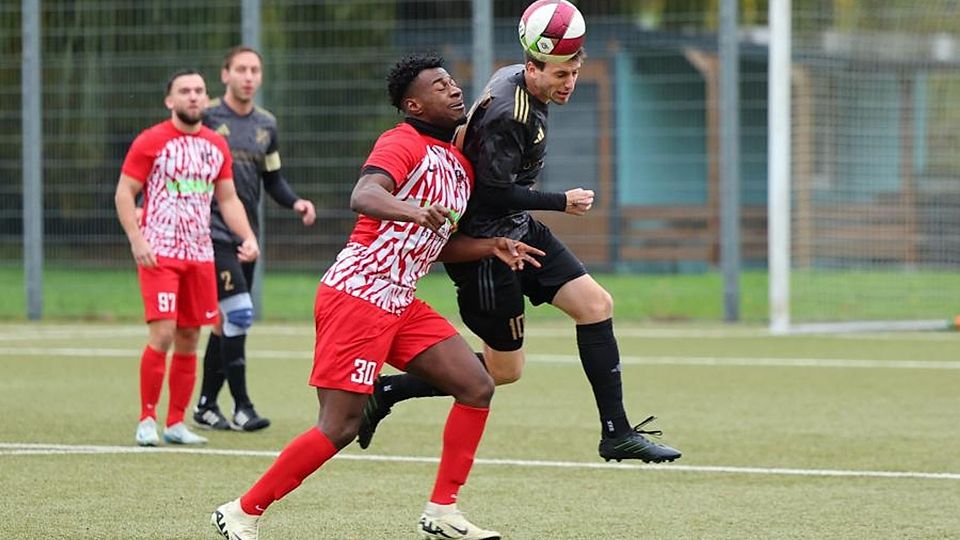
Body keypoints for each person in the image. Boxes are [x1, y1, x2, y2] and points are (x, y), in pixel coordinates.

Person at [211, 52, 543, 540]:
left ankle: (442, 511)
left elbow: (438, 244)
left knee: (476, 385)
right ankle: (241, 511)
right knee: (339, 426)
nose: (454, 89)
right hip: (358, 294)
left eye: (452, 82)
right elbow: (364, 195)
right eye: (439, 86)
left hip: (400, 300)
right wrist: (411, 210)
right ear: (413, 105)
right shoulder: (400, 141)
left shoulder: (459, 165)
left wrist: (492, 245)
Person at [357, 50, 682, 464]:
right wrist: (561, 201)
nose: (569, 83)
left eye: (575, 72)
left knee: (595, 304)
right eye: (561, 74)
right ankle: (387, 390)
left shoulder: (518, 78)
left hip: (518, 227)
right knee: (505, 371)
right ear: (532, 68)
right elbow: (493, 192)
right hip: (486, 253)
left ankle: (617, 433)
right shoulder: (508, 113)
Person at [115, 69, 260, 447]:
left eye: (198, 90)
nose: (193, 96)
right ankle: (147, 419)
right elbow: (125, 192)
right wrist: (136, 240)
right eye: (185, 91)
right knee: (163, 333)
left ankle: (176, 422)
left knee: (190, 336)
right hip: (159, 253)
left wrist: (247, 237)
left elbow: (228, 199)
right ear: (170, 100)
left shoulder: (215, 145)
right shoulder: (151, 141)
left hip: (200, 253)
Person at [192, 46, 317, 433]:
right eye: (241, 69)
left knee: (226, 321)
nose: (248, 77)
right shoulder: (206, 115)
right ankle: (242, 406)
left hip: (246, 237)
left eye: (255, 70)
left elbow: (272, 179)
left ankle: (206, 405)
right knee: (240, 313)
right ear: (225, 74)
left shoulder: (266, 124)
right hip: (209, 232)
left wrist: (295, 202)